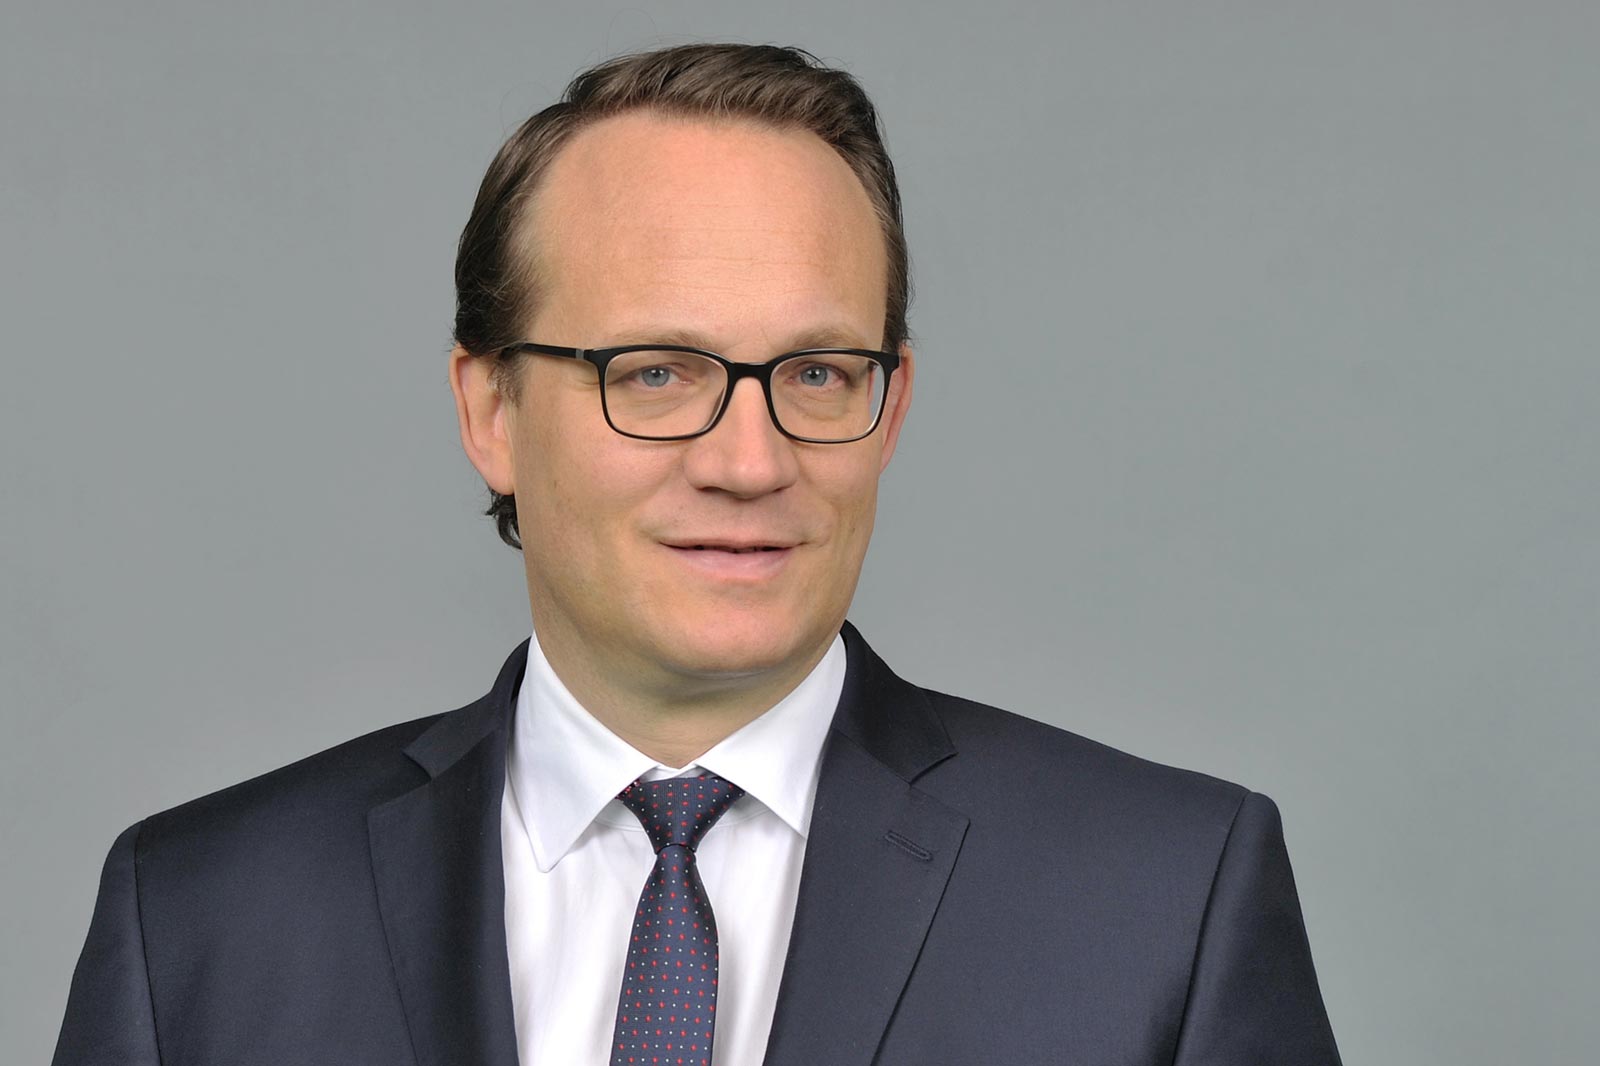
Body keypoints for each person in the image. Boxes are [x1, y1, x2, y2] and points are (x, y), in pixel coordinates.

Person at [52, 43, 1342, 1066]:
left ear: (889, 409)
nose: (747, 458)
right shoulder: (203, 920)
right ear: (490, 410)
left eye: (819, 373)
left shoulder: (1162, 901)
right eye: (656, 373)